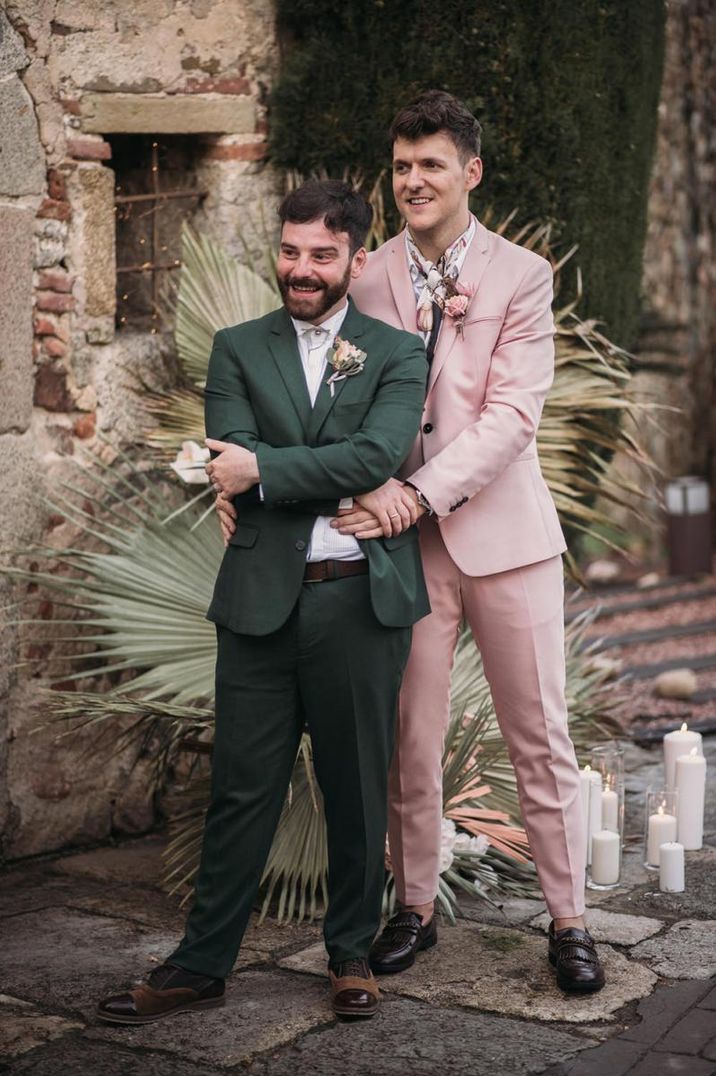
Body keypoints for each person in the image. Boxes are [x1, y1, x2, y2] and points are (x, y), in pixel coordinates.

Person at [219, 90, 605, 994]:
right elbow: (312, 397)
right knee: (408, 737)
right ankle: (415, 909)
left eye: (433, 164)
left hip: (504, 540)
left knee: (539, 735)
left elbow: (512, 417)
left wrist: (413, 495)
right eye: (401, 166)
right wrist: (253, 487)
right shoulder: (369, 271)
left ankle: (569, 917)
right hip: (399, 555)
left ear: (471, 172)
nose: (414, 181)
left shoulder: (523, 275)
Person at [97, 180, 429, 1025]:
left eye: (322, 255)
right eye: (290, 251)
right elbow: (230, 460)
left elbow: (378, 453)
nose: (302, 269)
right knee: (242, 789)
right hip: (258, 602)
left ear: (357, 257)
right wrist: (326, 474)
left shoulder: (396, 352)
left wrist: (272, 473)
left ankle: (351, 955)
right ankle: (201, 963)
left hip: (359, 605)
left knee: (357, 788)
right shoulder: (238, 346)